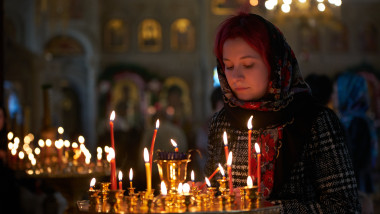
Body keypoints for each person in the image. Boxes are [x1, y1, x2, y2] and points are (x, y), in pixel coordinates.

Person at [205, 12, 360, 213]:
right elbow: (217, 190)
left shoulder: (315, 121)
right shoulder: (222, 122)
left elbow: (345, 206)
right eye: (229, 66)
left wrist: (271, 209)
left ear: (275, 64)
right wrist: (205, 196)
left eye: (248, 65)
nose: (236, 76)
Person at [333, 72, 377, 213]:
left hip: (357, 187)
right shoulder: (351, 119)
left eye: (336, 91)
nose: (333, 97)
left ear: (347, 92)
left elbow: (355, 158)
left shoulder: (356, 122)